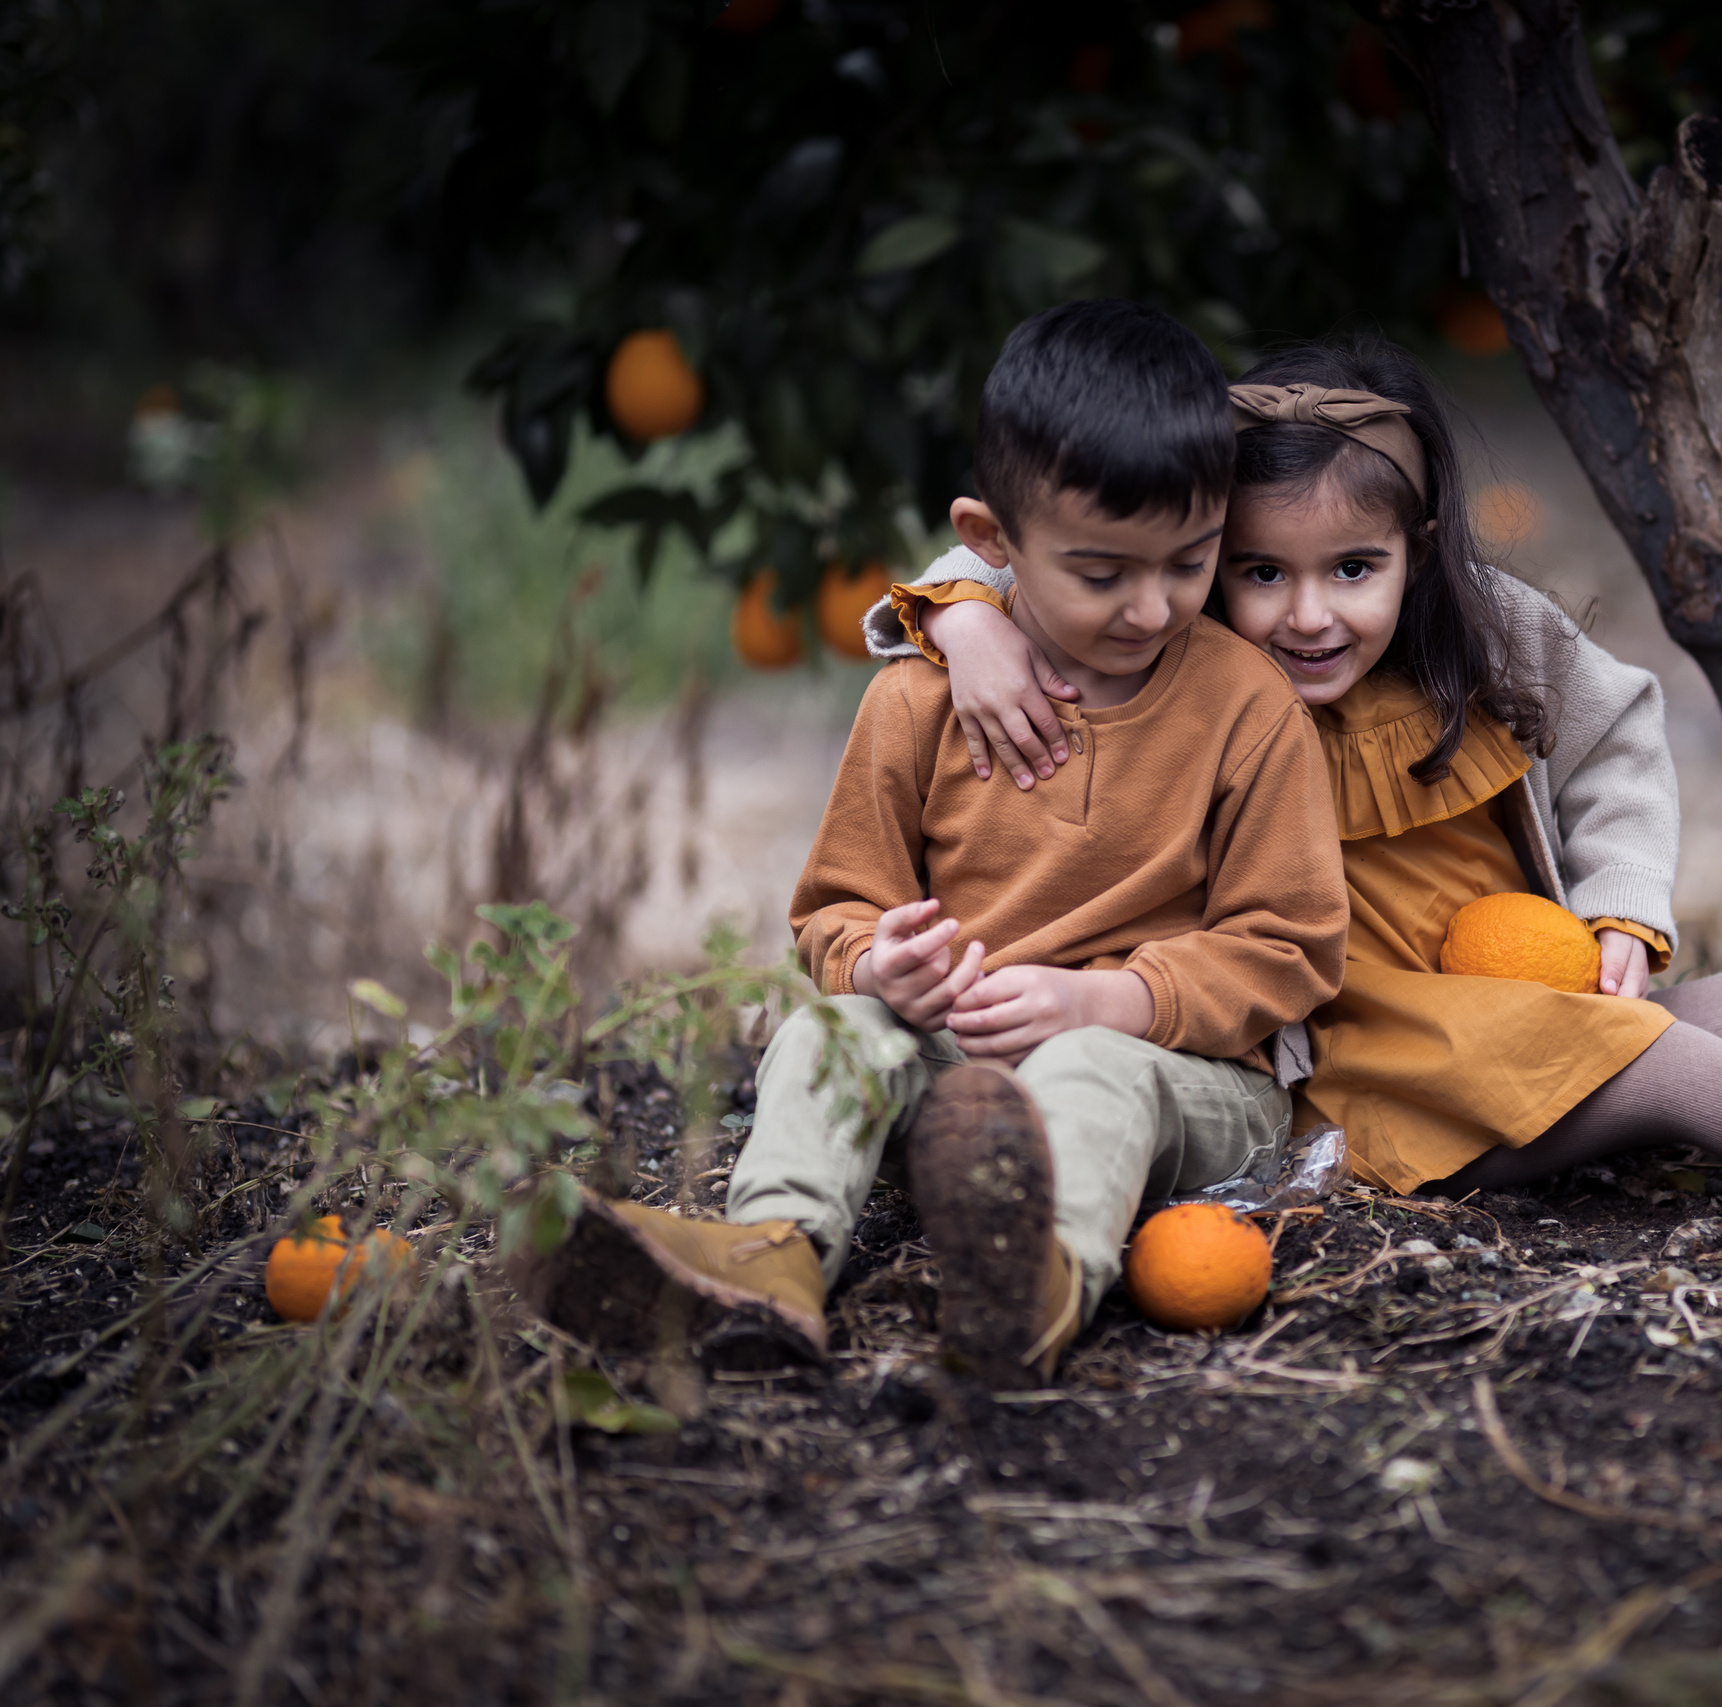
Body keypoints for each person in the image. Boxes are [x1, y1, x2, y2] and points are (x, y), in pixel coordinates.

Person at [879, 334, 1722, 1202]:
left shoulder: (1480, 627)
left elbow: (1621, 731)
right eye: (1258, 572)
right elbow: (1051, 550)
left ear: (1416, 550)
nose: (1308, 614)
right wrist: (970, 617)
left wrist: (1622, 903)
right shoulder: (1185, 657)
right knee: (1665, 1066)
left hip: (1498, 997)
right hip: (1364, 1068)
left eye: (1354, 569)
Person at [519, 301, 1346, 1378]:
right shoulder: (917, 703)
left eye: (1191, 564)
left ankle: (1035, 1289)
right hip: (968, 1078)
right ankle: (776, 1256)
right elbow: (833, 913)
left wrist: (1106, 1000)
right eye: (1102, 574)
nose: (1152, 608)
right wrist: (883, 967)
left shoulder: (1245, 706)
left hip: (1179, 1079)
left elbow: (1290, 946)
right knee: (831, 1031)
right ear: (990, 543)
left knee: (1093, 1069)